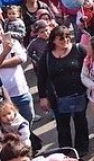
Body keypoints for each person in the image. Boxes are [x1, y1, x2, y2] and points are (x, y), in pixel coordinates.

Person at [36, 25, 89, 154]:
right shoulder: (47, 56)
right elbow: (42, 76)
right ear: (53, 40)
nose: (65, 40)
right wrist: (42, 97)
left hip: (79, 94)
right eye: (61, 38)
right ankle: (66, 151)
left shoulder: (79, 49)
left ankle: (82, 149)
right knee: (62, 126)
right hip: (57, 97)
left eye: (67, 37)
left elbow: (92, 64)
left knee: (80, 122)